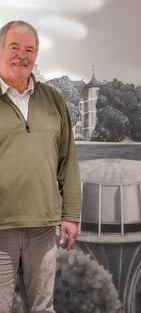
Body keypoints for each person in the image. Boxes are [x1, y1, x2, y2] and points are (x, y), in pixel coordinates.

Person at [0, 20, 81, 312]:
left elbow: (68, 160)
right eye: (14, 47)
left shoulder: (53, 99)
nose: (22, 55)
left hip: (43, 226)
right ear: (1, 50)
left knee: (43, 308)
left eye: (29, 49)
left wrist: (70, 215)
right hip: (1, 227)